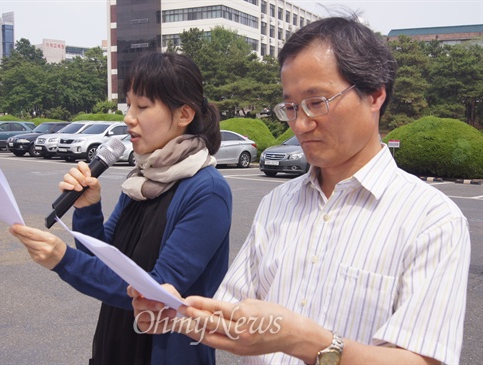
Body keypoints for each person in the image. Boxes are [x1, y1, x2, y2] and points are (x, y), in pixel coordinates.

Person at [129, 16, 471, 365]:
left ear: (375, 94)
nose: (301, 123)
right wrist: (177, 312)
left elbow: (424, 359)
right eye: (290, 107)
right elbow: (235, 314)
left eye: (317, 102)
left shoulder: (432, 220)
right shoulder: (278, 203)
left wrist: (309, 343)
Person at [10, 52, 232, 365]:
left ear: (184, 115)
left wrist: (62, 259)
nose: (129, 117)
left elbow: (156, 292)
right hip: (114, 347)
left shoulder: (207, 191)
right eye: (129, 104)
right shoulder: (142, 180)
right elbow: (101, 265)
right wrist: (88, 208)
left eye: (142, 106)